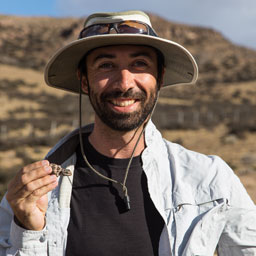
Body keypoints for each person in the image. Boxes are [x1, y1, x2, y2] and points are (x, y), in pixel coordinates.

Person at [0, 10, 255, 256]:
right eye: (106, 65)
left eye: (139, 64)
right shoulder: (32, 191)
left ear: (160, 77)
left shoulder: (209, 179)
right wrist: (28, 231)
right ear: (84, 80)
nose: (124, 83)